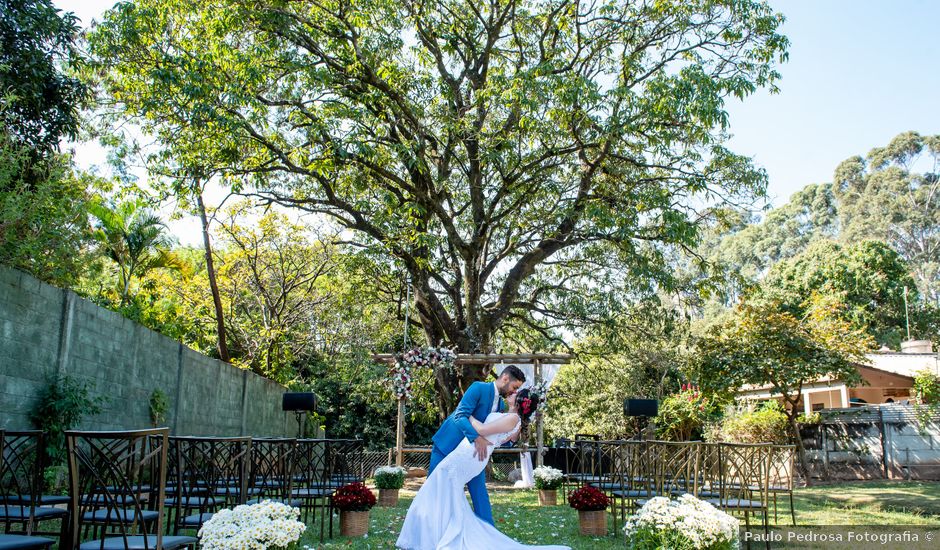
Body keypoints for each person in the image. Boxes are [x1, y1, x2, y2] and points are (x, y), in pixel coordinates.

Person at [396, 389, 570, 550]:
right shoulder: (510, 417)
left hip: (470, 456)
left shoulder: (513, 419)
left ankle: (434, 535)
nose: (511, 392)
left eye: (515, 393)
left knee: (440, 483)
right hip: (471, 453)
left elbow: (483, 429)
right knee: (445, 488)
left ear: (518, 402)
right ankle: (437, 532)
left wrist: (466, 414)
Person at [427, 365, 526, 524]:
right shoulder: (478, 388)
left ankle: (489, 535)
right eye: (514, 387)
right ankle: (429, 529)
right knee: (434, 490)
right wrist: (477, 438)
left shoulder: (501, 405)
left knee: (480, 494)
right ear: (505, 379)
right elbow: (460, 416)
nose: (514, 392)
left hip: (472, 456)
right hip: (447, 447)